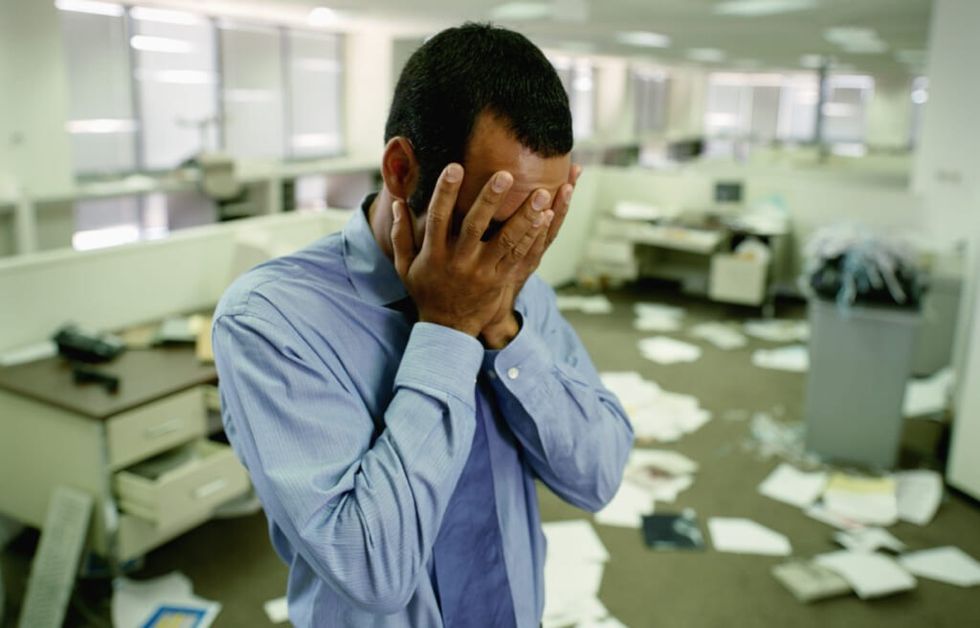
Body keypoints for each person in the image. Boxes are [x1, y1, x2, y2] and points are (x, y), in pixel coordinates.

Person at [212, 22, 633, 628]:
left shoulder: (516, 288)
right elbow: (371, 570)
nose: (510, 256)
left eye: (535, 227)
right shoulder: (272, 320)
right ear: (402, 170)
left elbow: (598, 476)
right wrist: (449, 331)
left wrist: (505, 330)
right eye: (490, 223)